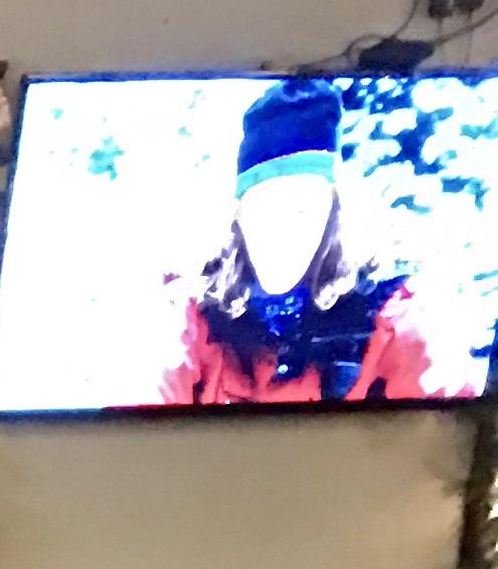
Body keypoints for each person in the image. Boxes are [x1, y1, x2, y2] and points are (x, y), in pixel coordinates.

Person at [160, 80, 438, 406]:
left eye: (303, 210)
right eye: (266, 206)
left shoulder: (392, 314)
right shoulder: (190, 311)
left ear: (332, 213)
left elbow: (446, 433)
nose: (283, 232)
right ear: (237, 213)